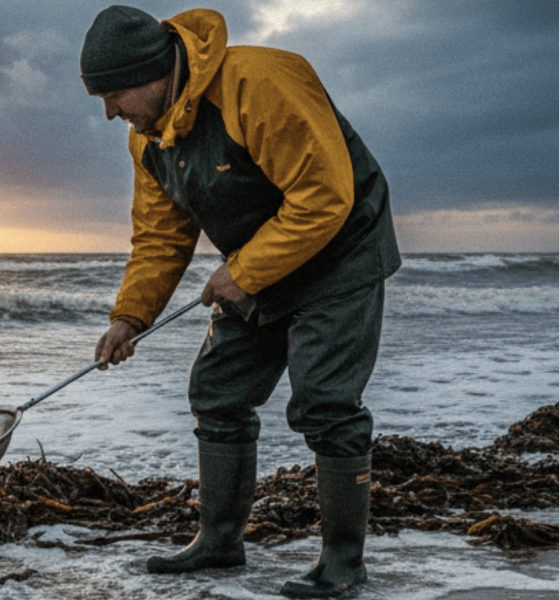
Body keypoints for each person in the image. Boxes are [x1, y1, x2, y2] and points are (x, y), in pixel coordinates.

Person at [80, 6, 401, 598]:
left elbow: (325, 195)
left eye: (114, 94)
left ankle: (343, 564)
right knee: (217, 391)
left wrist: (243, 272)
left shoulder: (260, 83)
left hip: (341, 250)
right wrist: (129, 317)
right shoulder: (147, 139)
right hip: (261, 259)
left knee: (326, 402)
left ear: (154, 73)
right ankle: (220, 543)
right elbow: (160, 236)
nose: (109, 112)